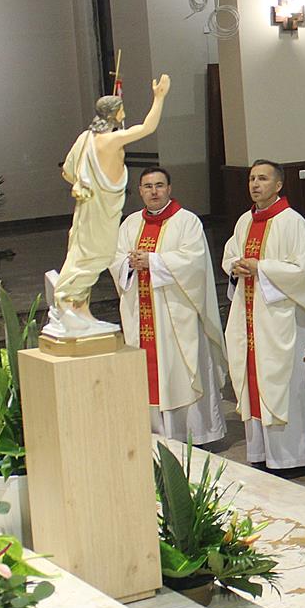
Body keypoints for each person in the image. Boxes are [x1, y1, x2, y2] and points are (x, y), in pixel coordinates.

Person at [222, 160, 305, 476]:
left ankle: (291, 458)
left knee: (284, 383)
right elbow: (230, 255)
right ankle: (260, 452)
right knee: (254, 378)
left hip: (284, 321)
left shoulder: (293, 222)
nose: (255, 184)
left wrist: (261, 268)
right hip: (250, 316)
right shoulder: (245, 221)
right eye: (251, 179)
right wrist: (236, 266)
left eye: (262, 179)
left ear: (278, 185)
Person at [108, 165, 228, 443]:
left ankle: (194, 433)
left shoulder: (187, 221)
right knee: (147, 370)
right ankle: (153, 433)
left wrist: (152, 261)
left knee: (181, 370)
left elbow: (194, 262)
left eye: (159, 185)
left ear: (169, 189)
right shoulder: (130, 224)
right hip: (142, 313)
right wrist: (129, 263)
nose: (154, 191)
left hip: (176, 314)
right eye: (148, 187)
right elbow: (115, 258)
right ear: (140, 191)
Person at [47, 74, 171, 338]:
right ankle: (65, 302)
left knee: (86, 253)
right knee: (95, 255)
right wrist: (159, 97)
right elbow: (147, 127)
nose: (124, 113)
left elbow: (68, 171)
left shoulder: (85, 139)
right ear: (114, 114)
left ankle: (79, 309)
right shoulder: (109, 140)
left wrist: (88, 182)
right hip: (99, 209)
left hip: (93, 207)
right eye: (121, 109)